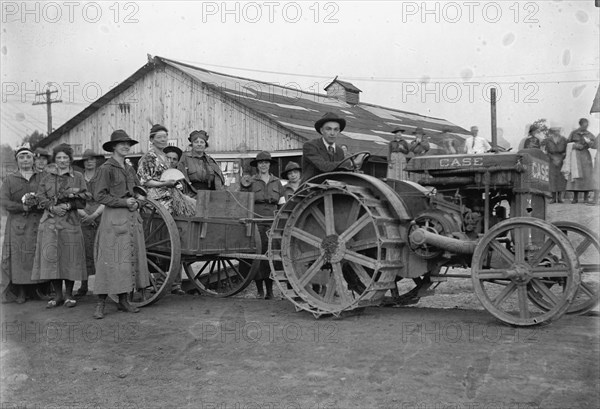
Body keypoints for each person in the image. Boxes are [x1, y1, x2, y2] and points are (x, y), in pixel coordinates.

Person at [92, 130, 150, 318]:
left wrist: (138, 202)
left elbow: (141, 191)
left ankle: (124, 300)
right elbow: (99, 195)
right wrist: (124, 202)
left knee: (128, 260)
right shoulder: (106, 168)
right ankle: (100, 303)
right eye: (121, 144)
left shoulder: (129, 168)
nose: (126, 146)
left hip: (132, 218)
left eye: (128, 144)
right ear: (113, 147)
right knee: (110, 260)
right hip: (114, 219)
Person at [31, 144, 91, 309]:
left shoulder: (77, 176)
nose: (62, 161)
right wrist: (52, 207)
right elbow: (39, 197)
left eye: (65, 158)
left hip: (71, 222)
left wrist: (69, 205)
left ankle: (69, 295)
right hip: (50, 224)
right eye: (59, 158)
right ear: (55, 159)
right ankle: (57, 295)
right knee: (53, 258)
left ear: (70, 159)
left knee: (69, 257)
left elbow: (84, 199)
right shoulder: (47, 177)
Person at [0, 144, 45, 304]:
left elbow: (50, 195)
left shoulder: (42, 177)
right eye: (21, 157)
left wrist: (40, 203)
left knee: (36, 256)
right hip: (18, 224)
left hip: (38, 222)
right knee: (19, 257)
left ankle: (36, 290)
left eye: (28, 156)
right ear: (16, 161)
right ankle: (20, 291)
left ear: (33, 159)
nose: (25, 159)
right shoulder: (10, 179)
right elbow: (3, 200)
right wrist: (21, 207)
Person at [240, 151, 285, 300]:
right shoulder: (250, 181)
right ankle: (260, 290)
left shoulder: (277, 182)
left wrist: (281, 222)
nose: (263, 165)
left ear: (270, 165)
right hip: (256, 222)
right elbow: (242, 200)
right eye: (261, 163)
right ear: (257, 166)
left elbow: (282, 204)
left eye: (266, 162)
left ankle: (270, 291)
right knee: (257, 255)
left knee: (271, 255)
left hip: (272, 222)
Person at [138, 124, 195, 216]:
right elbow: (145, 181)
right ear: (152, 140)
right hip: (156, 198)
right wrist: (164, 184)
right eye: (159, 137)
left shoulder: (165, 157)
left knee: (194, 205)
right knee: (180, 208)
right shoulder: (148, 158)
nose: (163, 140)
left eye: (165, 137)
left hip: (171, 193)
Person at [72, 149, 105, 297]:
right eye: (86, 160)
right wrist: (83, 213)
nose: (90, 162)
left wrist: (96, 214)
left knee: (101, 250)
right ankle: (84, 285)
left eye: (92, 159)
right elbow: (71, 198)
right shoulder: (77, 178)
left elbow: (108, 197)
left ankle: (102, 286)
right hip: (82, 216)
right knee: (83, 249)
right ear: (83, 163)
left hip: (101, 214)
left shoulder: (103, 176)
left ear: (96, 161)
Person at [302, 112, 353, 182]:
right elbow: (324, 166)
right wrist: (350, 163)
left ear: (339, 131)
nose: (332, 133)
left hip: (330, 189)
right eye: (328, 129)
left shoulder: (339, 151)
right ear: (322, 130)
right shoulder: (310, 146)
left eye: (336, 129)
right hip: (309, 190)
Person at [566, 118, 595, 204]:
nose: (586, 127)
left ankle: (586, 197)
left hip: (585, 156)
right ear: (580, 124)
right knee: (576, 175)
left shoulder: (589, 134)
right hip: (575, 155)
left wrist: (589, 143)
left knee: (587, 175)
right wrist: (575, 145)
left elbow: (594, 144)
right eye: (584, 125)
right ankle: (575, 198)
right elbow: (567, 143)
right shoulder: (573, 133)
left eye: (587, 125)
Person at [542, 127, 568, 204]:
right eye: (555, 131)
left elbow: (567, 150)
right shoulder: (548, 140)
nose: (556, 132)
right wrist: (552, 157)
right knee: (552, 178)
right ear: (552, 132)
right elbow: (546, 150)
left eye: (558, 131)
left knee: (561, 178)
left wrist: (561, 158)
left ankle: (560, 197)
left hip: (561, 160)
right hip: (551, 159)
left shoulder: (564, 139)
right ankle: (553, 197)